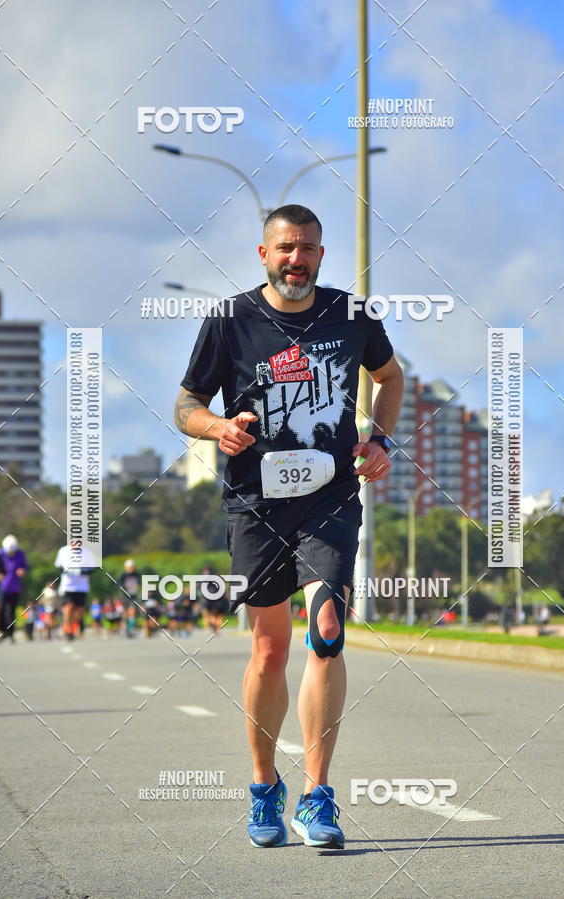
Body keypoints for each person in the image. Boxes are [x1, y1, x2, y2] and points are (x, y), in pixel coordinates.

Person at [174, 204, 402, 849]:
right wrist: (217, 427)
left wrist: (380, 437)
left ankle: (318, 795)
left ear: (321, 256)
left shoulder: (352, 316)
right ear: (263, 253)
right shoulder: (230, 319)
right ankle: (263, 786)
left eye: (306, 249)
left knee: (327, 631)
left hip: (330, 498)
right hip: (255, 503)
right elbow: (186, 403)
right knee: (270, 648)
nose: (295, 259)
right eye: (284, 249)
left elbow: (389, 377)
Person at [54, 544, 93, 641]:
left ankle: (76, 625)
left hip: (82, 587)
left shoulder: (87, 552)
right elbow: (58, 567)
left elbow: (93, 568)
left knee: (79, 613)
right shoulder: (63, 550)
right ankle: (68, 631)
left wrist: (82, 572)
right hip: (68, 586)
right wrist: (69, 571)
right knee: (68, 608)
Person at [0, 535, 27, 643]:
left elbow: (24, 566)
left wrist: (22, 570)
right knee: (2, 610)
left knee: (12, 611)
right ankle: (3, 632)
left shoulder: (20, 554)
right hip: (2, 587)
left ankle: (11, 633)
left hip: (15, 587)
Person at [119, 559, 140, 638]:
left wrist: (137, 586)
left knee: (132, 612)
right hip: (125, 597)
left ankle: (131, 630)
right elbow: (119, 584)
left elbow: (138, 584)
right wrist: (125, 587)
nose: (131, 568)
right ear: (126, 567)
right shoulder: (123, 575)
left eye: (132, 567)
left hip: (133, 596)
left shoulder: (136, 574)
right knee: (126, 615)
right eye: (129, 567)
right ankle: (126, 629)